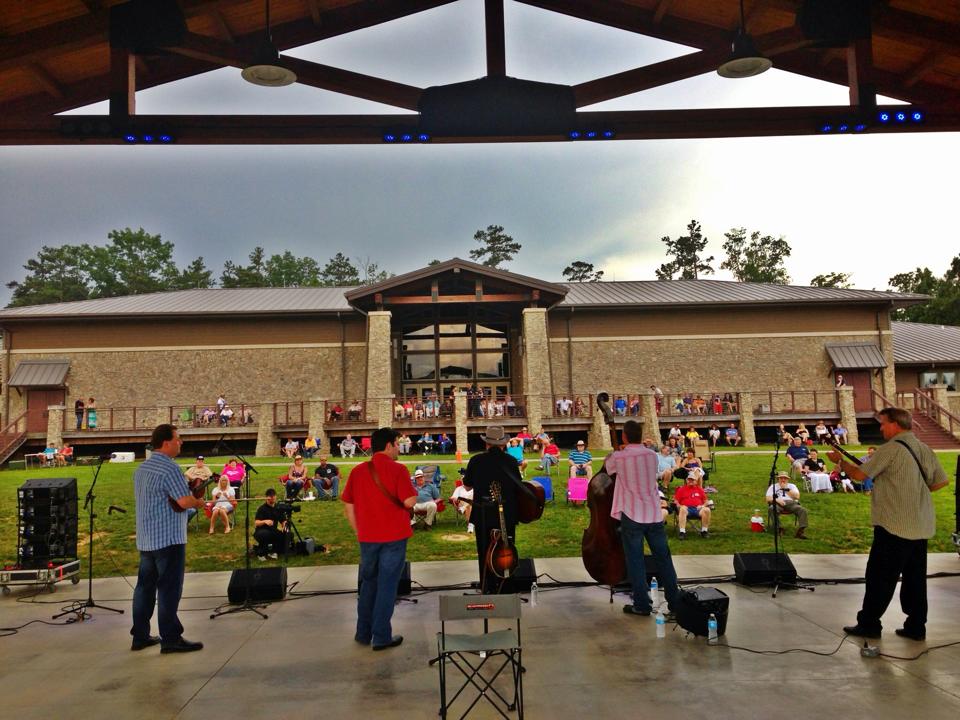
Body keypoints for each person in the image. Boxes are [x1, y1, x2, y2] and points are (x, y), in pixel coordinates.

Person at [829, 407, 949, 641]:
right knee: (915, 579)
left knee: (879, 577)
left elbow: (859, 475)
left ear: (895, 424)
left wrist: (840, 461)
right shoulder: (924, 448)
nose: (881, 428)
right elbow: (939, 483)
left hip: (893, 525)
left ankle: (869, 624)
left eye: (883, 423)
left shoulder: (891, 449)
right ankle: (916, 627)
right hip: (920, 524)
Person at [131, 424, 205, 654]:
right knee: (169, 589)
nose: (180, 442)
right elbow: (183, 501)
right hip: (169, 539)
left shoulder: (142, 469)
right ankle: (171, 638)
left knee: (144, 587)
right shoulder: (170, 469)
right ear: (166, 442)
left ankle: (140, 636)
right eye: (178, 439)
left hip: (147, 538)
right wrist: (198, 502)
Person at [341, 427, 417, 651]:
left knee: (368, 585)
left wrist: (359, 532)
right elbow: (410, 502)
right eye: (397, 443)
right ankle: (382, 636)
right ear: (388, 445)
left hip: (368, 539)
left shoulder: (357, 471)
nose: (399, 448)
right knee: (387, 587)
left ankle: (363, 633)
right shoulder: (398, 470)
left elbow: (348, 505)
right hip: (394, 537)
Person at [604, 419, 681, 617]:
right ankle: (675, 602)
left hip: (632, 514)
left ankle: (642, 604)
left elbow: (608, 467)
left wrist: (617, 451)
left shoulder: (619, 457)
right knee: (664, 559)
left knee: (635, 561)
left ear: (624, 436)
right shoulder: (652, 455)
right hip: (653, 513)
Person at [463, 425, 522, 594]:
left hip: (484, 514)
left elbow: (467, 486)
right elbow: (517, 486)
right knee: (507, 549)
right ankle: (506, 585)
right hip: (507, 513)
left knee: (484, 551)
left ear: (486, 444)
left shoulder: (476, 460)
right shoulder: (511, 461)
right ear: (503, 444)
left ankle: (486, 586)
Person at [766, 471, 809, 539]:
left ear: (788, 479)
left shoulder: (792, 486)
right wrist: (777, 500)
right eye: (781, 478)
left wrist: (786, 489)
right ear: (778, 479)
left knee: (802, 510)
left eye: (785, 478)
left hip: (791, 503)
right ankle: (779, 528)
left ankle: (801, 531)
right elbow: (768, 498)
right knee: (772, 508)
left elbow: (797, 497)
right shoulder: (773, 486)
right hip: (778, 503)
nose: (783, 480)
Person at [253, 488, 290, 560]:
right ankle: (261, 553)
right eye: (271, 497)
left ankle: (274, 551)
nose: (272, 498)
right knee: (266, 534)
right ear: (267, 497)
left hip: (273, 530)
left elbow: (283, 520)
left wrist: (284, 526)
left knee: (288, 534)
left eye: (274, 496)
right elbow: (256, 523)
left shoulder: (278, 508)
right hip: (261, 531)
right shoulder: (262, 508)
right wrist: (265, 521)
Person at [674, 472, 711, 539]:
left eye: (692, 480)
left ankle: (704, 531)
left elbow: (706, 501)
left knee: (707, 509)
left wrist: (702, 506)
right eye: (689, 479)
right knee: (682, 509)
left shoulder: (700, 489)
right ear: (686, 480)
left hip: (698, 509)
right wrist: (679, 505)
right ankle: (682, 532)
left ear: (696, 481)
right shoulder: (681, 489)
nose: (690, 481)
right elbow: (676, 501)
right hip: (686, 509)